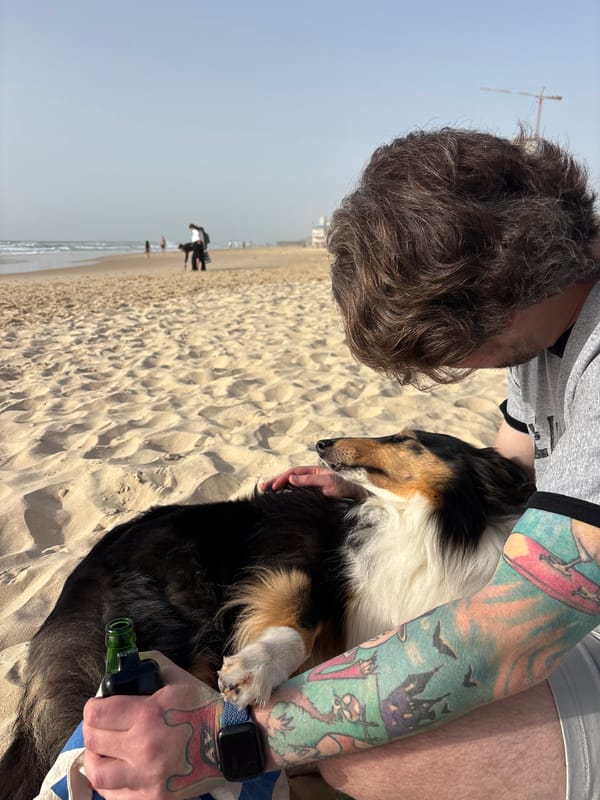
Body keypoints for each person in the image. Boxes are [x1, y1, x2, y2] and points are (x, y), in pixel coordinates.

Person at [82, 128, 600, 800]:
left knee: (370, 752)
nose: (453, 366)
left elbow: (507, 635)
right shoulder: (547, 331)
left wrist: (223, 740)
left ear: (500, 305)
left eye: (447, 351)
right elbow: (509, 469)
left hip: (555, 630)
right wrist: (383, 493)